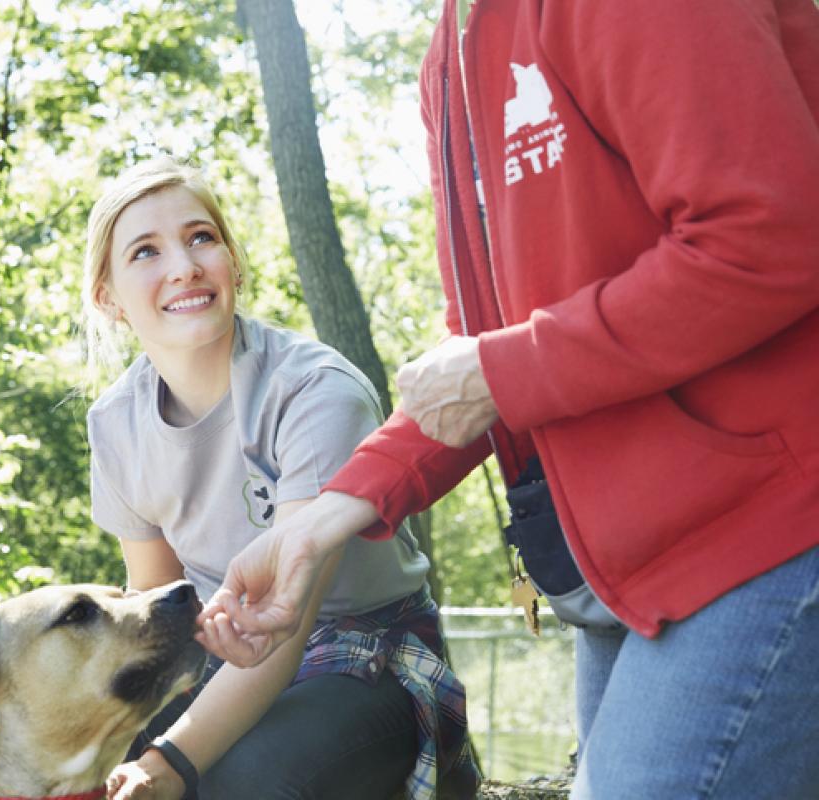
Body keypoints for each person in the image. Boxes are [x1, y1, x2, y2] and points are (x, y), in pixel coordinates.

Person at [202, 1, 819, 797]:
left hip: (769, 527)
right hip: (624, 568)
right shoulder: (448, 57)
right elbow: (481, 354)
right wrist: (324, 520)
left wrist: (505, 369)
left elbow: (770, 234)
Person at [81, 158, 478, 800]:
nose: (183, 265)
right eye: (146, 251)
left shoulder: (316, 392)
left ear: (232, 261)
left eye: (201, 237)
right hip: (221, 660)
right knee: (88, 753)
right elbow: (156, 606)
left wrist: (166, 765)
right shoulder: (115, 424)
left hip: (365, 661)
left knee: (245, 779)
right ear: (109, 298)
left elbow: (284, 627)